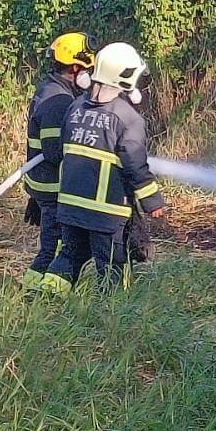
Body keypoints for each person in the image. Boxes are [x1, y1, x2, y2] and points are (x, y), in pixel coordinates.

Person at [29, 42, 167, 298]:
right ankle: (112, 310)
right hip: (106, 212)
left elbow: (60, 150)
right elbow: (135, 164)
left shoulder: (74, 107)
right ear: (126, 76)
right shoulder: (128, 118)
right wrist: (152, 201)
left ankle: (45, 298)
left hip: (69, 207)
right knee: (112, 262)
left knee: (69, 255)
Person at [21, 32, 95, 291]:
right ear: (76, 68)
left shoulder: (51, 89)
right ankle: (38, 291)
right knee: (53, 246)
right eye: (88, 69)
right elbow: (53, 151)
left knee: (54, 243)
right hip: (51, 187)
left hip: (43, 183)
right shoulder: (58, 100)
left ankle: (35, 287)